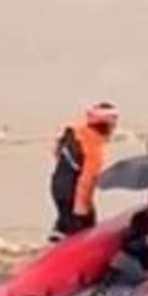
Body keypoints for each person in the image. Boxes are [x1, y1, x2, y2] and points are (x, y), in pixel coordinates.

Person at [49, 102, 120, 242]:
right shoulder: (93, 148)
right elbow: (87, 181)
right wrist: (81, 212)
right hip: (72, 191)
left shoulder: (73, 130)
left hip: (57, 184)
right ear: (107, 126)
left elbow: (56, 150)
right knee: (83, 227)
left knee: (64, 219)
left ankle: (58, 235)